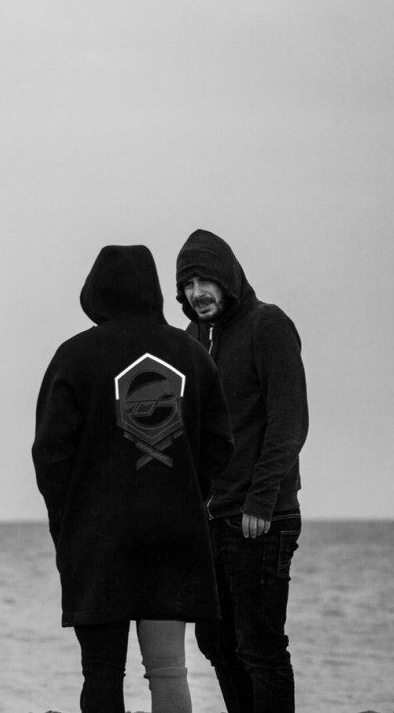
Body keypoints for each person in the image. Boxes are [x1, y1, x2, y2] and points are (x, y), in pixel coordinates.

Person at [32, 244, 234, 713]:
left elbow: (50, 453)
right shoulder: (192, 353)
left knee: (102, 672)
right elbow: (220, 445)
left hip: (97, 537)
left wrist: (66, 521)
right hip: (174, 535)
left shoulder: (75, 356)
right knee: (168, 669)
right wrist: (187, 495)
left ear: (95, 291)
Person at [175, 229, 308, 713]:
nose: (196, 294)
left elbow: (288, 420)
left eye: (205, 280)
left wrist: (261, 501)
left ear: (227, 278)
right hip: (211, 520)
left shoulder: (267, 325)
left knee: (261, 648)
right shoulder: (193, 340)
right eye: (187, 285)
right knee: (215, 640)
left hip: (260, 519)